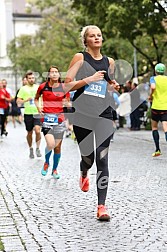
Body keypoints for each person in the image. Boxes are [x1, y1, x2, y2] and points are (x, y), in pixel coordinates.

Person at [65, 25, 118, 221]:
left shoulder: (109, 61)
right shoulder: (80, 58)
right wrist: (89, 79)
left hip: (104, 113)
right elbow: (66, 85)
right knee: (88, 157)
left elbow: (109, 85)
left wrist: (113, 86)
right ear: (85, 40)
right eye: (92, 36)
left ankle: (101, 206)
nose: (96, 38)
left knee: (102, 159)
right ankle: (84, 171)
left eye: (99, 35)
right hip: (83, 114)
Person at [35, 66, 70, 179]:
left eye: (56, 72)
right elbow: (36, 98)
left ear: (59, 75)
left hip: (59, 120)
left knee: (58, 148)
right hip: (47, 120)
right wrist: (38, 107)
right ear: (49, 75)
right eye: (52, 72)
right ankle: (46, 163)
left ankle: (54, 169)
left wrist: (66, 103)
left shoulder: (63, 87)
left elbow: (67, 101)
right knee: (50, 144)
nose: (54, 74)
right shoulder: (43, 87)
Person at [17, 71, 42, 158]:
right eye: (30, 78)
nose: (31, 79)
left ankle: (38, 148)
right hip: (28, 113)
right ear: (27, 79)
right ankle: (31, 148)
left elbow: (43, 99)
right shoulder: (23, 89)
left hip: (37, 113)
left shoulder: (38, 87)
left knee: (38, 130)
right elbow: (18, 102)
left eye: (33, 78)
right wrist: (25, 100)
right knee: (29, 133)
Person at [149, 63, 167, 157]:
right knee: (166, 129)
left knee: (154, 127)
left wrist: (151, 95)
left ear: (156, 71)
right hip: (166, 107)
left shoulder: (153, 78)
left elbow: (153, 87)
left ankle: (157, 149)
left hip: (156, 106)